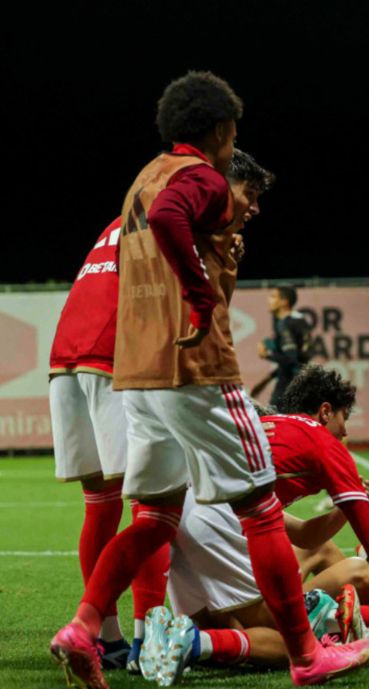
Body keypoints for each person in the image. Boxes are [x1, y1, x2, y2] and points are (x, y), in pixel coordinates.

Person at [49, 72, 369, 689]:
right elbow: (177, 217)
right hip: (195, 370)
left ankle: (85, 626)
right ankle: (308, 656)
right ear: (222, 131)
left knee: (153, 518)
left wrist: (214, 273)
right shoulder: (197, 178)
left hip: (140, 375)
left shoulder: (142, 179)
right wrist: (202, 301)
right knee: (261, 509)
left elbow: (165, 238)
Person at [136, 366, 369, 684]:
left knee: (231, 630)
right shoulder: (322, 443)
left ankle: (176, 640)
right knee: (300, 640)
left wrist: (342, 510)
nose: (345, 433)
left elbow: (305, 535)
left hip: (188, 513)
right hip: (220, 520)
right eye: (345, 418)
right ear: (326, 411)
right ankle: (204, 641)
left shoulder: (268, 426)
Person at [48, 213, 169, 671]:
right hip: (113, 355)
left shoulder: (116, 224)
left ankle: (109, 639)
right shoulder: (175, 213)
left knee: (100, 503)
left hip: (65, 356)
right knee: (154, 505)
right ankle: (147, 642)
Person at [259, 285, 312, 409]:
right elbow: (300, 357)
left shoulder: (284, 324)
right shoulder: (299, 320)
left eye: (273, 297)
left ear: (284, 302)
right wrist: (268, 378)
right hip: (300, 382)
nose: (269, 300)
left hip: (289, 384)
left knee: (274, 420)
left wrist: (267, 354)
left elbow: (291, 360)